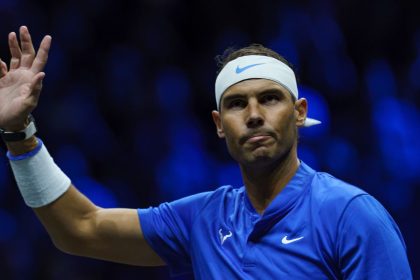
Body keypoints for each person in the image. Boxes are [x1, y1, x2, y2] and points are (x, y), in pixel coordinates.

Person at [0, 26, 412, 279]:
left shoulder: (351, 215)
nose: (253, 115)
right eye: (237, 104)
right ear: (219, 124)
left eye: (270, 99)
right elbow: (81, 228)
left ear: (299, 113)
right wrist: (18, 131)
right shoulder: (203, 219)